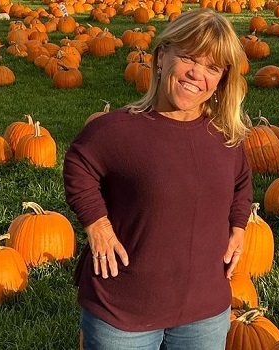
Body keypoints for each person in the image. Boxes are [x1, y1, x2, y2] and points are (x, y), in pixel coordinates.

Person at [63, 8, 252, 350]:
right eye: (189, 57)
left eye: (213, 67)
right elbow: (79, 163)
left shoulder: (225, 137)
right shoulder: (119, 130)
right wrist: (96, 223)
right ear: (162, 57)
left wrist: (239, 226)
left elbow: (241, 181)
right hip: (122, 310)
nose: (198, 74)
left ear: (223, 79)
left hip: (205, 312)